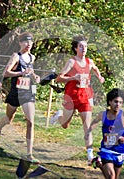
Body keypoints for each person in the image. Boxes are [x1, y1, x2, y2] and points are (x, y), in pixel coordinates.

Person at [49, 35, 105, 165]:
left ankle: (90, 155)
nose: (84, 48)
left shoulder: (89, 62)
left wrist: (100, 77)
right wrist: (73, 78)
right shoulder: (71, 62)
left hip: (84, 96)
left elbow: (95, 69)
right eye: (81, 46)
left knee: (87, 125)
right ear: (75, 48)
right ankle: (59, 116)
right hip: (71, 96)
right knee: (65, 125)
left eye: (85, 46)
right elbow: (59, 78)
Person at [0, 32, 40, 163]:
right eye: (26, 42)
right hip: (15, 92)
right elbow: (5, 73)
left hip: (28, 92)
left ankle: (29, 154)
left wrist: (35, 76)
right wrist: (21, 73)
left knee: (30, 122)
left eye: (30, 42)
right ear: (20, 43)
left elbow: (30, 70)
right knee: (8, 119)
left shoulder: (32, 57)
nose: (28, 44)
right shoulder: (16, 56)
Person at [86, 88, 124, 179]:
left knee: (114, 177)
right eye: (115, 102)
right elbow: (91, 127)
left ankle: (98, 163)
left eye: (120, 102)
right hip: (106, 149)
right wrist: (88, 132)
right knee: (111, 176)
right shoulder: (102, 115)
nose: (118, 104)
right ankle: (100, 162)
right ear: (109, 102)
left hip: (120, 150)